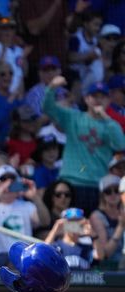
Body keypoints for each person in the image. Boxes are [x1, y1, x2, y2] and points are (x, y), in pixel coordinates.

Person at [42, 76, 125, 215]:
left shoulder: (111, 124)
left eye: (103, 97)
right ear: (86, 99)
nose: (98, 100)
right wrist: (51, 88)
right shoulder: (74, 117)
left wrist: (106, 118)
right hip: (71, 184)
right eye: (94, 96)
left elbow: (121, 145)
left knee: (92, 231)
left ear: (109, 101)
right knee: (72, 228)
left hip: (97, 185)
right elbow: (48, 108)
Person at [0, 164, 50, 265]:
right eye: (3, 179)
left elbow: (45, 222)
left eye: (12, 179)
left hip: (24, 257)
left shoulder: (27, 206)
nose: (8, 183)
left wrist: (35, 197)